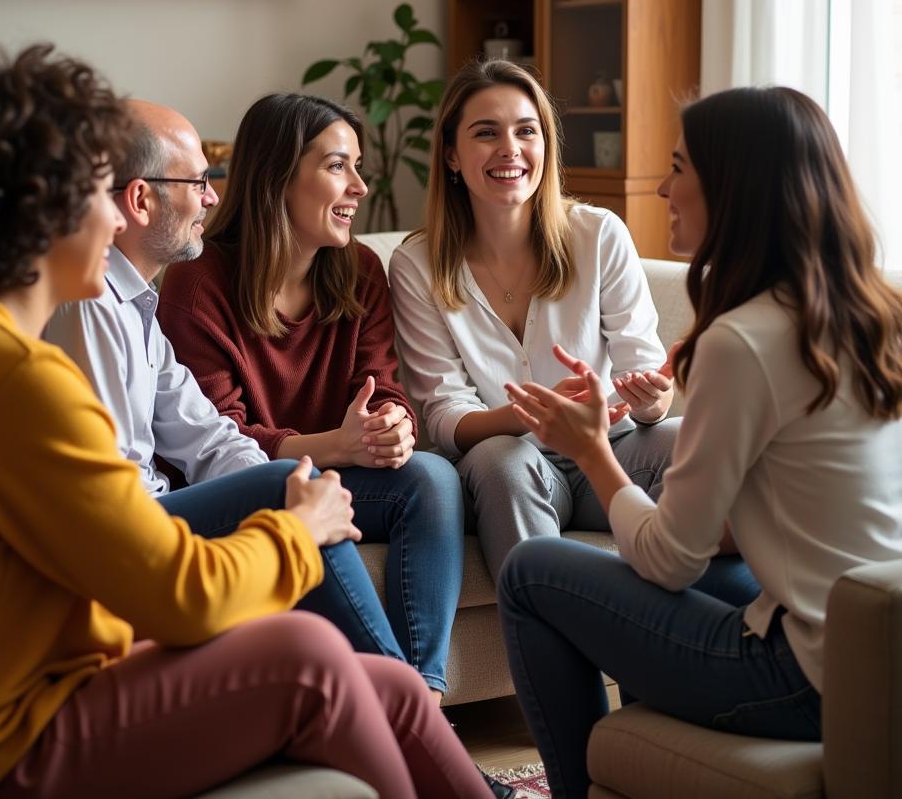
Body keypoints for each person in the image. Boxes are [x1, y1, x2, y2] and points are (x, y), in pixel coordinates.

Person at [0, 45, 494, 799]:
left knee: (389, 690)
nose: (115, 212)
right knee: (306, 652)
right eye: (98, 190)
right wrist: (297, 528)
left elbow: (199, 442)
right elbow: (176, 593)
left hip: (38, 685)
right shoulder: (15, 377)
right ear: (38, 207)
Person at [497, 86, 902, 798]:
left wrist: (592, 449)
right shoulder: (874, 313)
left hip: (803, 679)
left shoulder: (743, 340)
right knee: (716, 576)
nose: (661, 187)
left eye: (679, 167)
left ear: (732, 186)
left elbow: (665, 561)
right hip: (875, 652)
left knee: (533, 571)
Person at [44, 99, 409, 664]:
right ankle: (398, 694)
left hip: (160, 511)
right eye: (197, 181)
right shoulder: (91, 306)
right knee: (286, 484)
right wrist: (286, 490)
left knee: (323, 483)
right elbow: (110, 493)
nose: (213, 197)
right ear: (141, 199)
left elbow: (208, 435)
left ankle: (404, 692)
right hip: (128, 532)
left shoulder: (136, 304)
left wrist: (295, 488)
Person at [156, 94, 467, 701]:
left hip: (342, 469)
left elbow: (383, 387)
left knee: (432, 476)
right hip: (243, 486)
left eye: (357, 166)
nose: (359, 186)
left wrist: (390, 426)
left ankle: (423, 698)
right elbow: (214, 437)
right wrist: (337, 445)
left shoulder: (360, 271)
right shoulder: (198, 282)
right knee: (298, 488)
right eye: (336, 166)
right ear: (277, 177)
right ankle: (409, 723)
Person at [388, 59, 678, 583]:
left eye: (527, 131)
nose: (510, 148)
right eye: (486, 133)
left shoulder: (599, 235)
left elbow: (649, 384)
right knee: (502, 459)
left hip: (611, 455)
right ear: (451, 156)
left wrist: (652, 398)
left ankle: (718, 639)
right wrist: (534, 414)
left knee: (690, 439)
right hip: (511, 468)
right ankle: (552, 636)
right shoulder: (417, 264)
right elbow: (446, 417)